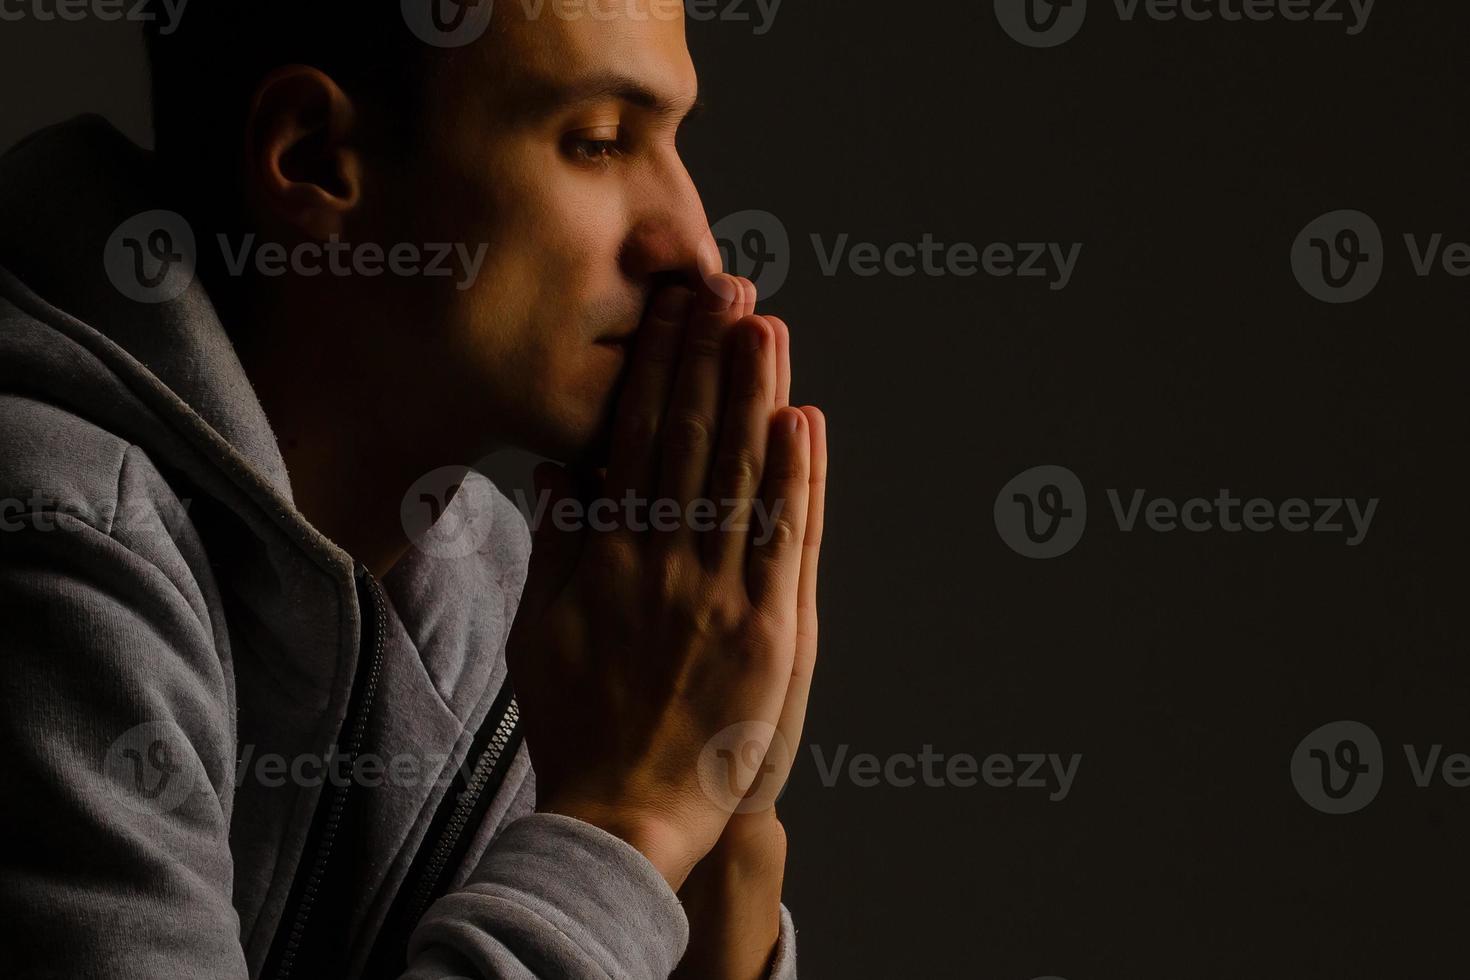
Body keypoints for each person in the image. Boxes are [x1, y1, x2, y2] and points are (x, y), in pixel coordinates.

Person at [0, 2, 828, 977]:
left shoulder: (524, 604)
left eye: (670, 140)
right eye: (599, 143)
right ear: (314, 160)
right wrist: (629, 815)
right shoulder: (52, 533)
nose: (692, 244)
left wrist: (724, 826)